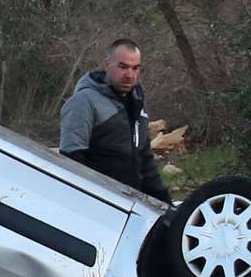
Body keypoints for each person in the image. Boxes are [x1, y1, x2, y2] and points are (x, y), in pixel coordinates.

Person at [60, 38, 171, 200]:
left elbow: (145, 159)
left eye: (135, 68)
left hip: (132, 202)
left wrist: (164, 201)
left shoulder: (137, 104)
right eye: (123, 67)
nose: (129, 75)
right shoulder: (84, 101)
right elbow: (71, 158)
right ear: (106, 65)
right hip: (99, 201)